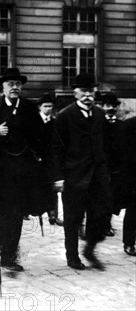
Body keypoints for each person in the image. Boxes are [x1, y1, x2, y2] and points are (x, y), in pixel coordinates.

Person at [0, 67, 45, 272]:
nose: (15, 87)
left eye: (18, 84)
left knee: (17, 213)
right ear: (3, 87)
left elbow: (40, 137)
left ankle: (8, 254)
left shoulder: (29, 107)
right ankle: (1, 246)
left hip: (22, 171)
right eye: (11, 84)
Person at [51, 73, 112, 270]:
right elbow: (56, 149)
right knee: (73, 219)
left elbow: (107, 144)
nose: (87, 95)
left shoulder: (100, 114)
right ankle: (72, 256)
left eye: (90, 91)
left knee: (100, 215)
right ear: (75, 93)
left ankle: (90, 249)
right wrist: (59, 177)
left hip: (97, 176)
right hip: (73, 176)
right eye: (83, 91)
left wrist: (107, 170)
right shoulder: (65, 116)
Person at [37, 92, 63, 227]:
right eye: (45, 106)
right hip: (37, 161)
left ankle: (53, 215)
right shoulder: (34, 122)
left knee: (53, 187)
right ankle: (31, 210)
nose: (48, 109)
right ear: (40, 107)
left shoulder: (55, 122)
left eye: (50, 106)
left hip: (50, 161)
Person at [100, 92, 124, 237]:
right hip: (100, 167)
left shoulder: (122, 125)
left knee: (113, 198)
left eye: (113, 106)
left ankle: (107, 223)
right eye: (108, 105)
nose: (111, 108)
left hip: (116, 168)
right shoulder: (97, 124)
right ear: (102, 107)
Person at [118, 115, 136, 256]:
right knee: (133, 210)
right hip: (134, 175)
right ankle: (129, 242)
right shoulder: (129, 125)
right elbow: (122, 152)